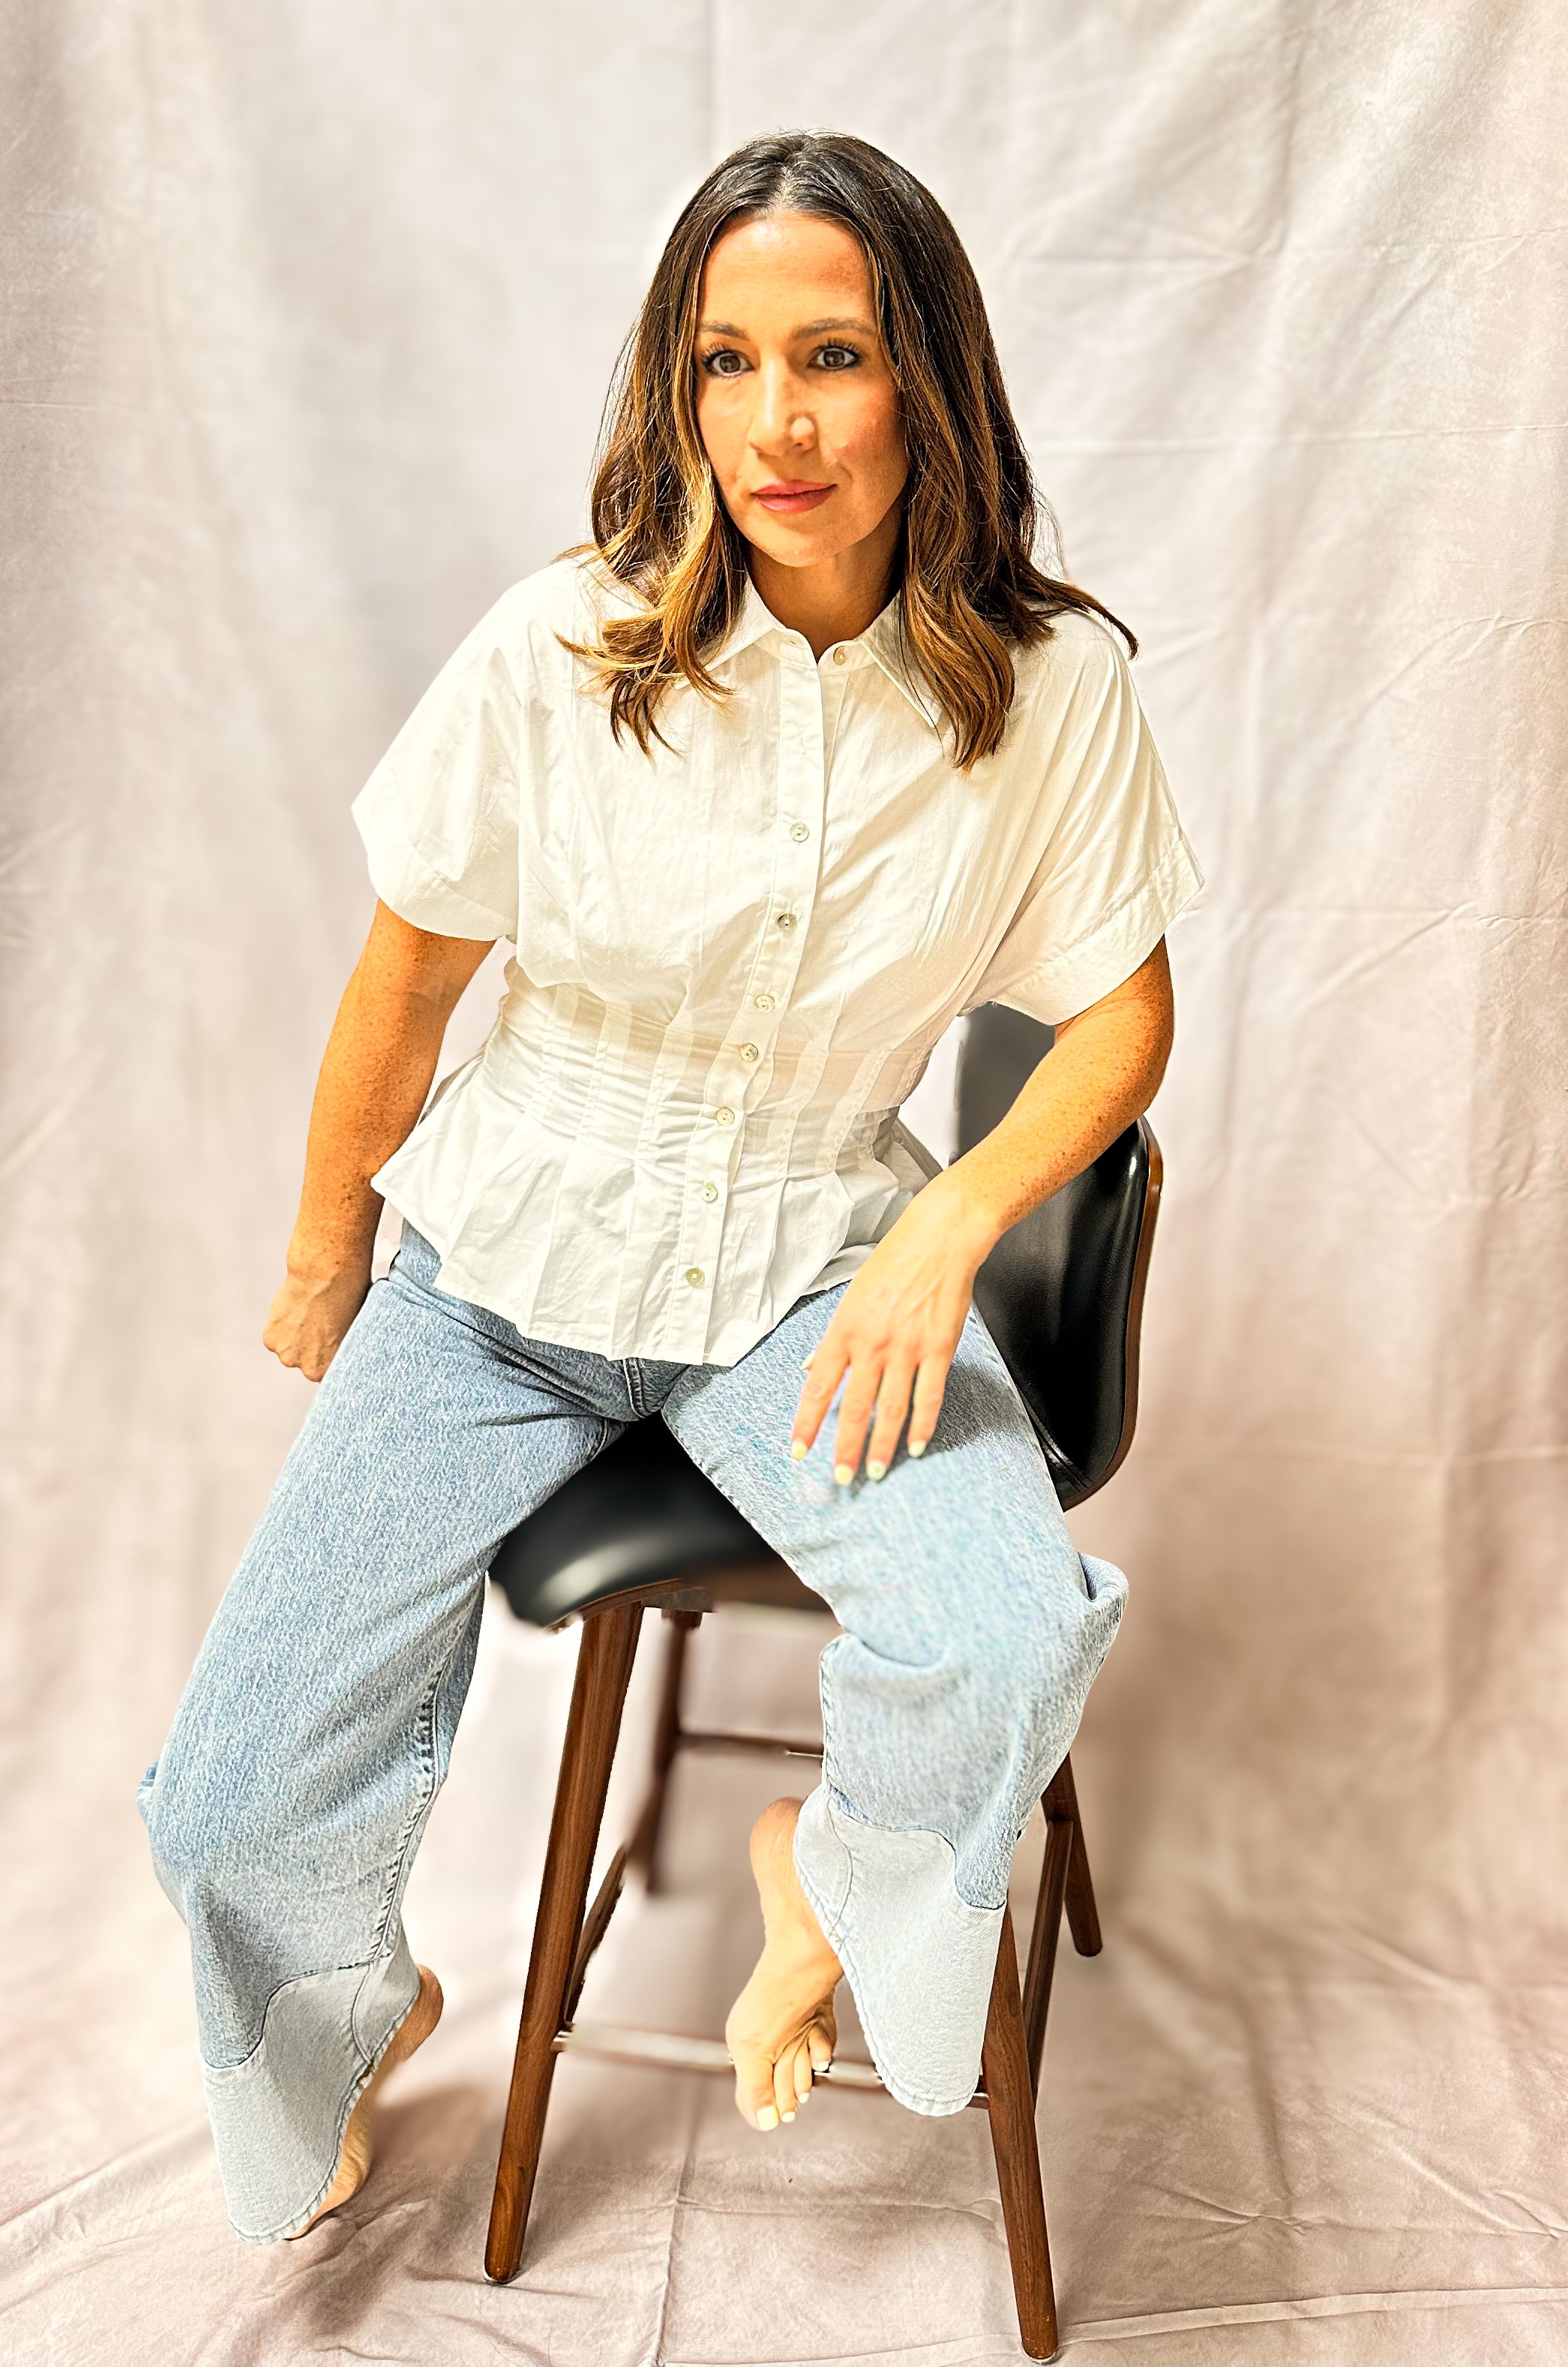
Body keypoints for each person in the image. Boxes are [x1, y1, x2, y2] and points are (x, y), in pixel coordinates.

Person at [139, 129, 1202, 2247]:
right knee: (228, 1797)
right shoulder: (567, 644)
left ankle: (834, 1865)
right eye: (728, 361)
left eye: (833, 356)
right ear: (677, 381)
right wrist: (327, 1248)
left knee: (1005, 1634)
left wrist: (946, 1220)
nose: (775, 422)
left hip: (809, 1259)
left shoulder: (1046, 688)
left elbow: (1118, 1017)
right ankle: (353, 1996)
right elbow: (409, 978)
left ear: (929, 377)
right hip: (502, 1266)